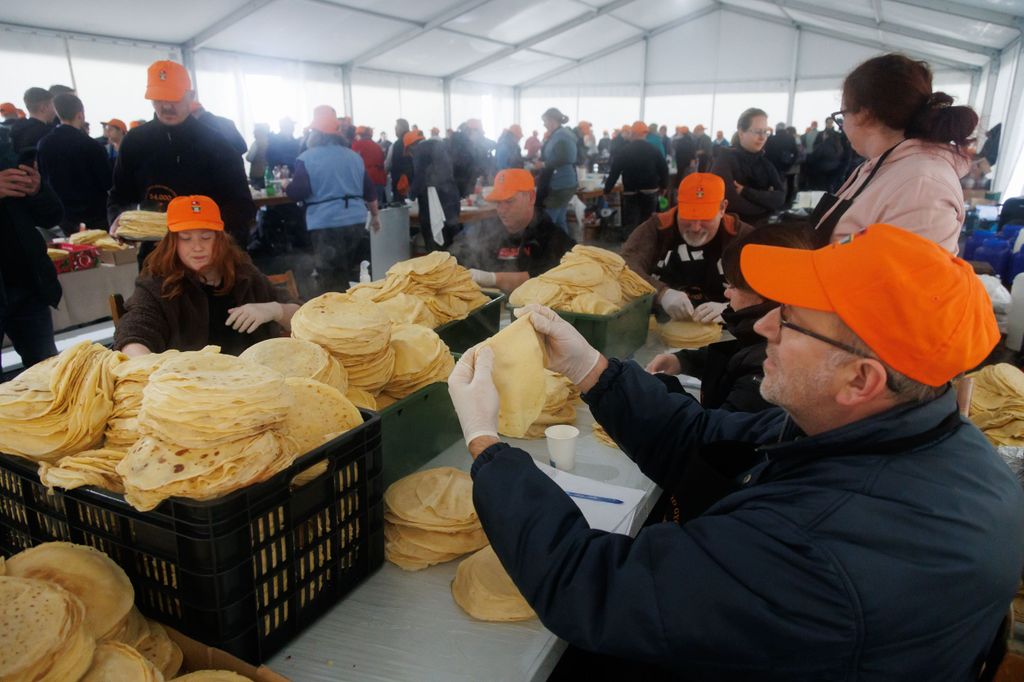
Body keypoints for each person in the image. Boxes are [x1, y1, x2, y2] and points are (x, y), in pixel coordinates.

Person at [447, 223, 1023, 680]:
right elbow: (707, 444)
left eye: (792, 320)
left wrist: (486, 445)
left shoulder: (823, 547)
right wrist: (593, 371)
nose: (765, 323)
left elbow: (595, 589)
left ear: (860, 379)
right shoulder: (908, 433)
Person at [808, 54, 978, 253]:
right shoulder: (881, 165)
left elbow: (906, 279)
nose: (843, 125)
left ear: (864, 115)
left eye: (843, 114)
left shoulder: (922, 185)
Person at [645, 225, 813, 412]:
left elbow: (716, 434)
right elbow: (734, 359)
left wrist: (662, 390)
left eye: (734, 286)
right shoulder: (762, 338)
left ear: (763, 294)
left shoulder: (769, 368)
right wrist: (684, 361)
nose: (726, 293)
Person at [114, 195, 299, 357]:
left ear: (220, 238)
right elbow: (133, 332)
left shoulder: (244, 274)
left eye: (205, 237)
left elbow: (303, 318)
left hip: (257, 382)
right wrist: (147, 368)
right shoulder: (157, 283)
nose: (197, 247)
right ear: (172, 242)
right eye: (186, 238)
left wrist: (276, 309)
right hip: (191, 387)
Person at [108, 60, 256, 251]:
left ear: (190, 96)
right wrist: (118, 220)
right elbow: (119, 195)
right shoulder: (135, 142)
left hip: (207, 255)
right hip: (156, 257)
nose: (166, 106)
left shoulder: (218, 143)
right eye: (159, 99)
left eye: (174, 98)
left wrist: (208, 237)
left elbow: (241, 204)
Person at [623, 173, 751, 321]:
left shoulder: (741, 235)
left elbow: (768, 283)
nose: (695, 227)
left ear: (722, 208)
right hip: (661, 326)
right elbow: (624, 266)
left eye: (705, 217)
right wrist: (661, 293)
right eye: (688, 216)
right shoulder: (658, 228)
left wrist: (734, 308)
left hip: (727, 330)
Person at [286, 106, 380, 291]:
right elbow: (369, 190)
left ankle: (337, 315)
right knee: (355, 271)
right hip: (356, 220)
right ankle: (359, 309)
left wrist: (287, 187)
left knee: (330, 276)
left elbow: (299, 191)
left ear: (314, 133)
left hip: (325, 223)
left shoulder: (306, 158)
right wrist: (375, 216)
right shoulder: (354, 157)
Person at [450, 169, 574, 294]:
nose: (502, 210)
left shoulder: (551, 236)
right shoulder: (486, 229)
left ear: (531, 197)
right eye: (498, 202)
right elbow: (456, 253)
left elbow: (547, 278)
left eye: (509, 201)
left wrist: (491, 279)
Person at [0, 150, 62, 373]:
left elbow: (52, 215)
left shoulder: (7, 146)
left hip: (28, 285)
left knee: (49, 376)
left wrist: (38, 190)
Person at [35, 93, 112, 236]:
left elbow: (43, 179)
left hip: (63, 216)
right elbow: (107, 182)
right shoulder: (91, 145)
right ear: (80, 114)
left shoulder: (44, 144)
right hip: (95, 215)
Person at [711, 108, 785, 225]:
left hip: (762, 229)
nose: (762, 137)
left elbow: (780, 197)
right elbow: (731, 202)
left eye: (765, 132)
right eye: (757, 131)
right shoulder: (725, 159)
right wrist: (766, 204)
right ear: (741, 132)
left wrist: (746, 192)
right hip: (735, 231)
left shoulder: (765, 163)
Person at [604, 121, 668, 240]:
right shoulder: (653, 150)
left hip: (631, 190)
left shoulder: (625, 150)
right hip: (650, 189)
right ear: (645, 134)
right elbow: (664, 169)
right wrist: (664, 187)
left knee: (631, 222)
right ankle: (647, 247)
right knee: (648, 221)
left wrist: (607, 190)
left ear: (632, 134)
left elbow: (614, 171)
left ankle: (631, 248)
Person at [405, 128, 460, 251]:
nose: (410, 156)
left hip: (434, 204)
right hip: (452, 199)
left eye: (408, 152)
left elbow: (419, 176)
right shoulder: (443, 145)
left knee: (435, 249)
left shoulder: (419, 150)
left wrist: (410, 197)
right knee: (453, 244)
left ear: (411, 147)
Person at [535, 107, 578, 233]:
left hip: (560, 183)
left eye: (545, 121)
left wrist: (543, 164)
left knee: (548, 220)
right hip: (565, 182)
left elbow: (563, 158)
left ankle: (545, 249)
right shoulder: (562, 135)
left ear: (552, 121)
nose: (544, 125)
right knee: (559, 220)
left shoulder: (561, 136)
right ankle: (566, 248)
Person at [10, 87, 56, 160]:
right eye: (53, 106)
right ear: (43, 108)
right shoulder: (49, 133)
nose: (55, 110)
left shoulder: (17, 130)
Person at [351, 126, 387, 206]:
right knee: (378, 208)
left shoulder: (356, 145)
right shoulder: (378, 146)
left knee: (366, 210)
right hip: (379, 180)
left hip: (365, 181)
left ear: (359, 135)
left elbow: (353, 164)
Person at [389, 118, 413, 199]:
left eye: (396, 128)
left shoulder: (396, 144)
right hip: (416, 183)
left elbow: (388, 164)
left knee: (401, 209)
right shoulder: (415, 140)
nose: (395, 131)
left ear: (401, 128)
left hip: (401, 184)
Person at [246, 123, 270, 188]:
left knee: (258, 195)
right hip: (268, 174)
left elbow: (249, 158)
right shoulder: (270, 143)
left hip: (256, 174)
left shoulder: (256, 144)